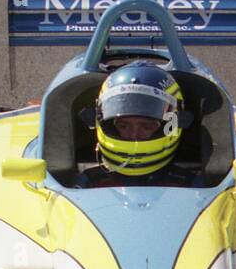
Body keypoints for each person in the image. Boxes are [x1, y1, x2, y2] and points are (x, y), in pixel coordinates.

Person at [78, 60, 198, 188]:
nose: (134, 135)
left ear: (173, 124)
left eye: (146, 127)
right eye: (123, 126)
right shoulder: (81, 185)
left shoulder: (198, 187)